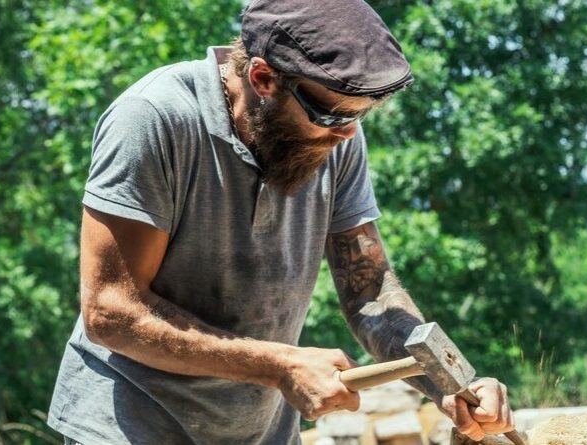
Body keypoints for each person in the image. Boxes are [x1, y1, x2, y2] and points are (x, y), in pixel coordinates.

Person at [47, 0, 516, 444]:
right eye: (332, 113)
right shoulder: (154, 118)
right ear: (264, 78)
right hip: (132, 425)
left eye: (360, 114)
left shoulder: (338, 136)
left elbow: (368, 289)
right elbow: (110, 311)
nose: (349, 132)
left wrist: (450, 382)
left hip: (260, 431)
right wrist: (278, 365)